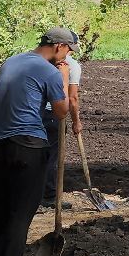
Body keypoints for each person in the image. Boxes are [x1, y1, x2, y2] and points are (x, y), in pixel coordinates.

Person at [0, 27, 76, 256]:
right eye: (67, 50)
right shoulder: (50, 71)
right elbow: (61, 111)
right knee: (22, 209)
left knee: (1, 204)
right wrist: (64, 78)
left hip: (0, 142)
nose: (67, 57)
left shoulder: (12, 61)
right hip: (29, 145)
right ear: (58, 47)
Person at [42, 46, 83, 208]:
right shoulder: (72, 66)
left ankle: (31, 194)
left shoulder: (43, 62)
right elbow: (72, 98)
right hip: (54, 114)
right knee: (52, 158)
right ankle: (50, 196)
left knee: (36, 155)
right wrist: (76, 121)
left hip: (35, 114)